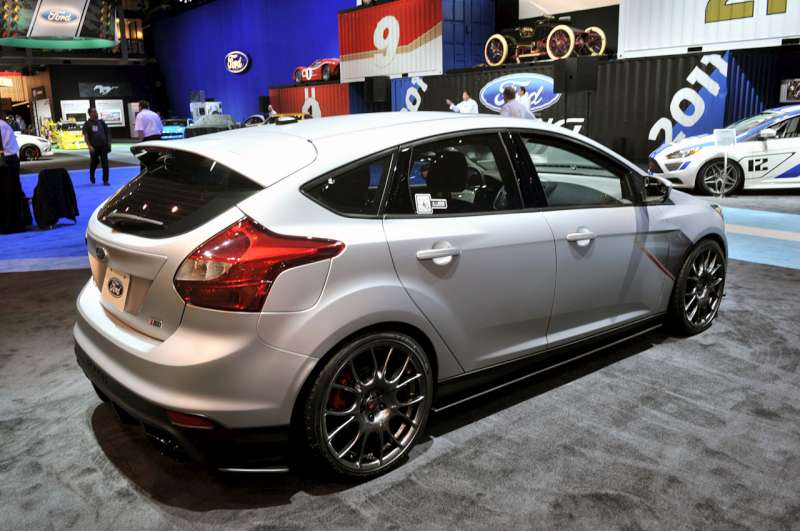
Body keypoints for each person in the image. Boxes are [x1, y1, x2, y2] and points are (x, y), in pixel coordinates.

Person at [0, 116, 27, 233]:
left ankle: (9, 225)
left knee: (7, 194)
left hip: (5, 162)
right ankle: (15, 223)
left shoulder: (1, 125)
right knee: (13, 192)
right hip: (10, 160)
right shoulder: (3, 124)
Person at [82, 107, 111, 185]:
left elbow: (107, 133)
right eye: (94, 112)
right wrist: (89, 146)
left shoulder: (101, 122)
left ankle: (105, 180)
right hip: (94, 147)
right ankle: (92, 174)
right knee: (94, 162)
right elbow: (86, 136)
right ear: (90, 114)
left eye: (96, 111)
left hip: (103, 146)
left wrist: (108, 144)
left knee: (105, 163)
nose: (96, 113)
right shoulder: (87, 124)